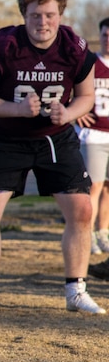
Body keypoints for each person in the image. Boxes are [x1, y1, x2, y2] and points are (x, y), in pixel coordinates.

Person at [0, 0, 103, 315]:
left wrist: (67, 112)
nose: (43, 23)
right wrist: (16, 109)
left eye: (50, 15)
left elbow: (86, 97)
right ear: (24, 15)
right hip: (7, 136)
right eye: (36, 15)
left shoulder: (74, 47)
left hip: (55, 137)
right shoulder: (6, 44)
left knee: (82, 210)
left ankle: (76, 290)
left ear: (61, 15)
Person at [79, 18, 109, 276]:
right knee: (95, 186)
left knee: (108, 188)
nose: (108, 39)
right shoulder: (90, 63)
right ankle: (87, 233)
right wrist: (76, 111)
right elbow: (70, 88)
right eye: (105, 34)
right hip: (95, 134)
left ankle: (103, 233)